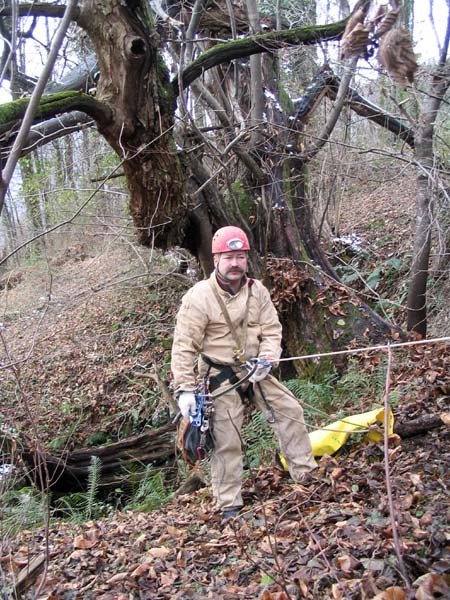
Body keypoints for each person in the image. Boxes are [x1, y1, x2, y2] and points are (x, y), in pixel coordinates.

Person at [171, 226, 316, 518]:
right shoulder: (199, 297)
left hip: (255, 371)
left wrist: (267, 359)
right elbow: (184, 345)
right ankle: (229, 505)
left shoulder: (257, 291)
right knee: (226, 439)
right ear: (216, 260)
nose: (235, 263)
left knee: (290, 411)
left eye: (240, 257)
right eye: (229, 257)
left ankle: (306, 476)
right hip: (218, 377)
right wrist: (185, 389)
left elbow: (272, 330)